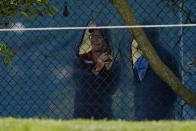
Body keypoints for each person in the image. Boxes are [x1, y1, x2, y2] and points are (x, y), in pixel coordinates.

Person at [73, 29, 120, 119]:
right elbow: (82, 85)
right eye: (92, 36)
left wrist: (108, 70)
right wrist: (97, 67)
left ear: (106, 40)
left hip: (104, 110)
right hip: (82, 111)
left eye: (99, 37)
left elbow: (111, 89)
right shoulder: (82, 60)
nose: (94, 39)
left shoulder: (113, 63)